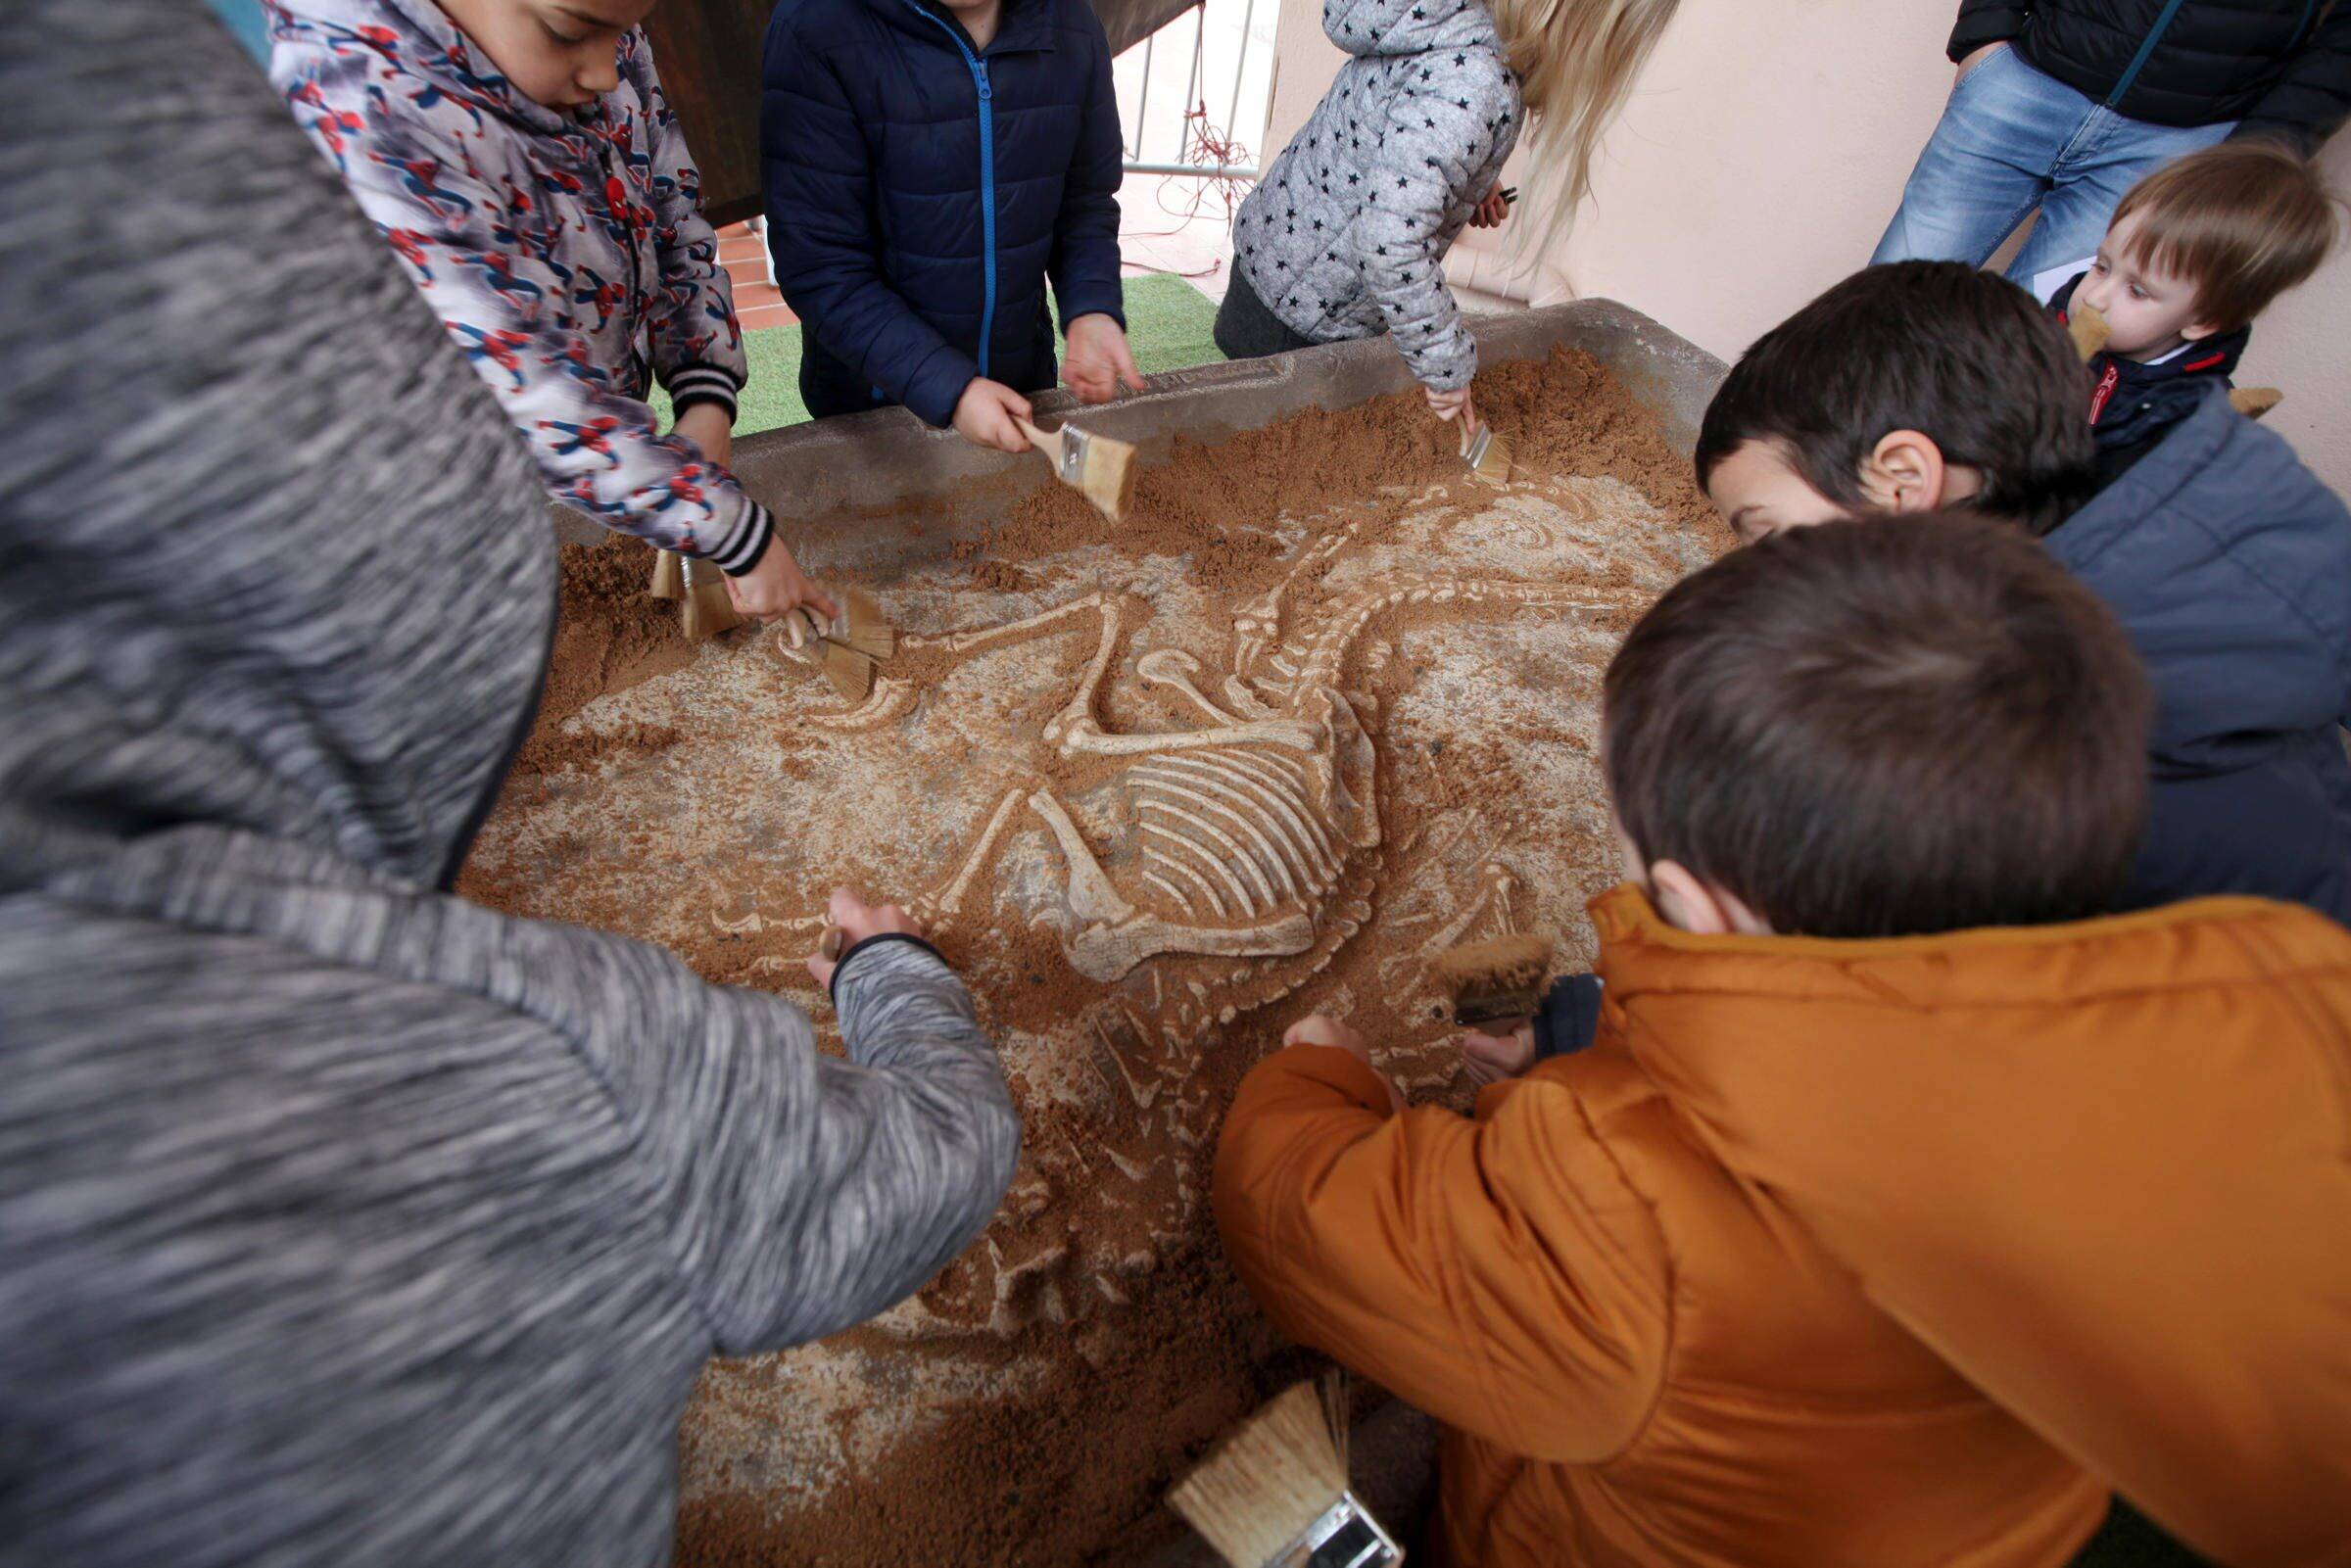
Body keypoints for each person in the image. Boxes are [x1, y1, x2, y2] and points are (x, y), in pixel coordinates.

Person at [0, 4, 1020, 1562]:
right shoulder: (562, 1070)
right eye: (575, 35)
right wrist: (890, 970)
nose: (616, 70)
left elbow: (673, 228)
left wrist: (696, 420)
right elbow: (928, 1158)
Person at [1216, 518, 2351, 1568]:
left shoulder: (1620, 1210)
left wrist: (1317, 1082)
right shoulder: (2189, 1070)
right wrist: (1569, 1031)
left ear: (1702, 906)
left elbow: (1307, 1222)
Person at [1696, 261, 2351, 925]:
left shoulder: (2030, 723)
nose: (1761, 574)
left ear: (1901, 479)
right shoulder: (2130, 566)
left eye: (1768, 535)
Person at [269, 0, 835, 627]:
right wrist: (737, 536)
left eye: (626, 31)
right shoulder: (365, 108)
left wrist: (705, 394)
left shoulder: (589, 30)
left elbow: (671, 211)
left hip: (601, 431)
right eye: (571, 33)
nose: (604, 72)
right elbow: (535, 402)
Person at [1216, 0, 1679, 441]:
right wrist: (1446, 365)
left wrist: (1465, 182)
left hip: (1276, 254)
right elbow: (1387, 240)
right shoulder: (1478, 81)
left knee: (1244, 411)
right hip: (1306, 308)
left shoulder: (1454, 21)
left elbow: (1403, 139)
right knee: (1265, 430)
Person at [759, 0, 1138, 452]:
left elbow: (1085, 202)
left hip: (1019, 375)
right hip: (875, 399)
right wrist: (949, 387)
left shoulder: (1071, 22)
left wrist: (1091, 304)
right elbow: (820, 265)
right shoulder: (816, 27)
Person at [1873, 1, 2351, 285]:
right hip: (2024, 79)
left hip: (2173, 146)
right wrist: (1986, 33)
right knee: (1876, 312)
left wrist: (2250, 157)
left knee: (2034, 360)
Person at [2049, 138, 2341, 484]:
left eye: (2137, 291)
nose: (2094, 298)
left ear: (2203, 320)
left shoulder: (2194, 419)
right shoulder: (2041, 329)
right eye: (2102, 266)